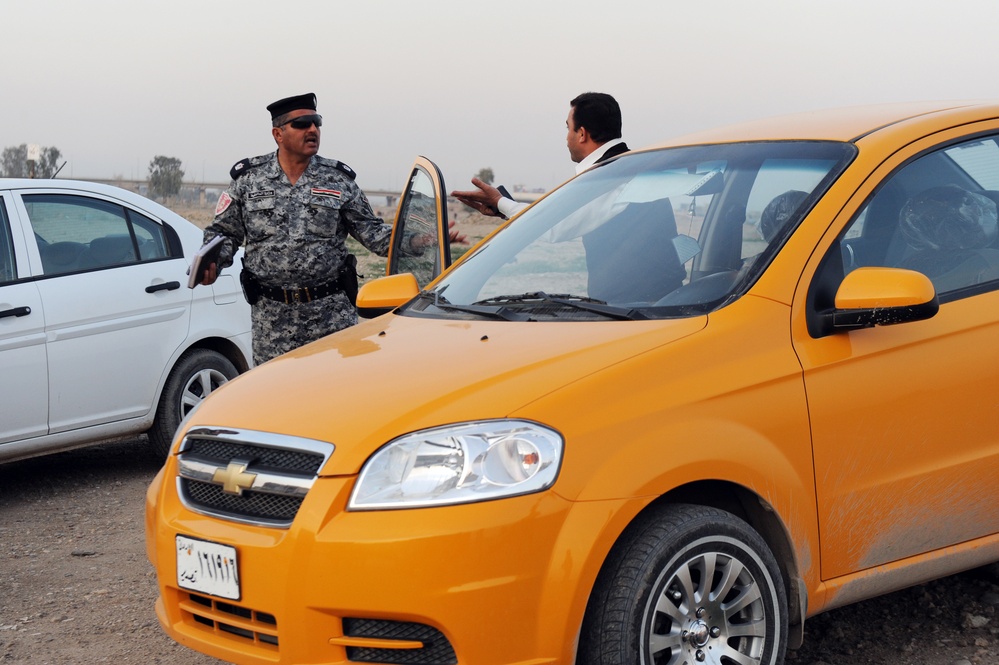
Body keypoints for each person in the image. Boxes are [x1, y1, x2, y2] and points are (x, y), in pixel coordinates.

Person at [198, 92, 465, 364]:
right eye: (302, 124)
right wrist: (212, 263)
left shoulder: (338, 180)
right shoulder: (249, 180)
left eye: (316, 122)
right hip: (271, 319)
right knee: (277, 399)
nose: (313, 129)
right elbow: (224, 233)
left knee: (335, 398)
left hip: (331, 316)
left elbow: (373, 234)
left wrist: (421, 239)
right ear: (278, 134)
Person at [451, 92, 630, 218]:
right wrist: (503, 208)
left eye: (568, 128)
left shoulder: (607, 176)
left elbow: (557, 224)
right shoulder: (634, 166)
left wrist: (499, 202)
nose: (567, 138)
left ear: (582, 134)